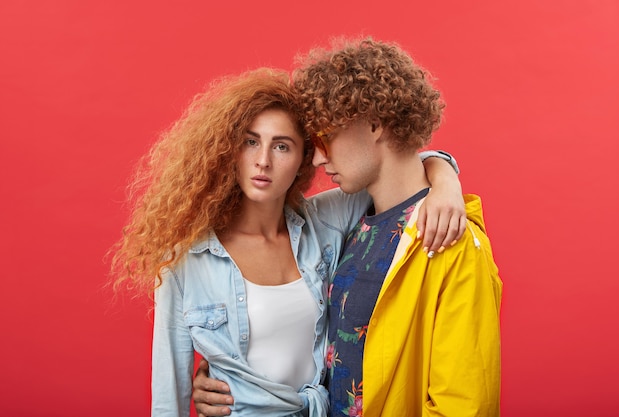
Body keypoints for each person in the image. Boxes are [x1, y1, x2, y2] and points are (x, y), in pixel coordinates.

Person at [110, 67, 465, 417]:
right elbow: (168, 395)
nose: (262, 161)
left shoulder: (324, 222)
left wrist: (446, 182)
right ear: (228, 150)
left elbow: (396, 166)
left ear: (303, 161)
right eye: (250, 142)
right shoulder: (186, 259)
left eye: (282, 146)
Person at [193, 38, 502, 416]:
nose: (319, 158)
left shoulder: (452, 242)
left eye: (326, 137)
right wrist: (229, 378)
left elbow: (465, 406)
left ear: (374, 123)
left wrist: (445, 183)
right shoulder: (351, 226)